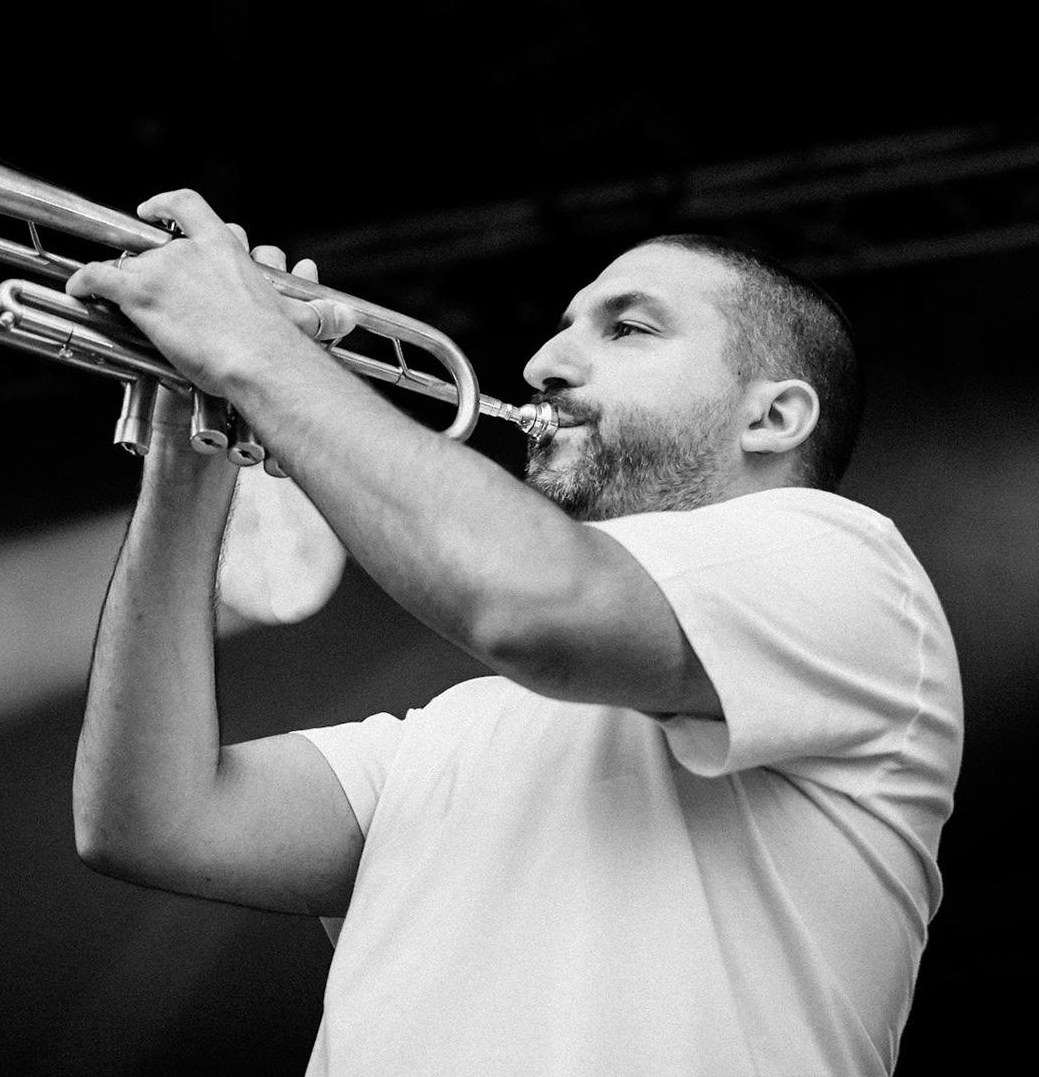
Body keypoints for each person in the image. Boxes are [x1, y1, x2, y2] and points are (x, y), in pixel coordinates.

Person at [67, 189, 962, 1076]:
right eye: (566, 327)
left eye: (629, 329)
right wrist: (191, 448)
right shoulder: (456, 729)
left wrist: (253, 349)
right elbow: (152, 821)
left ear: (773, 417)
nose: (542, 364)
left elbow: (532, 607)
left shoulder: (850, 568)